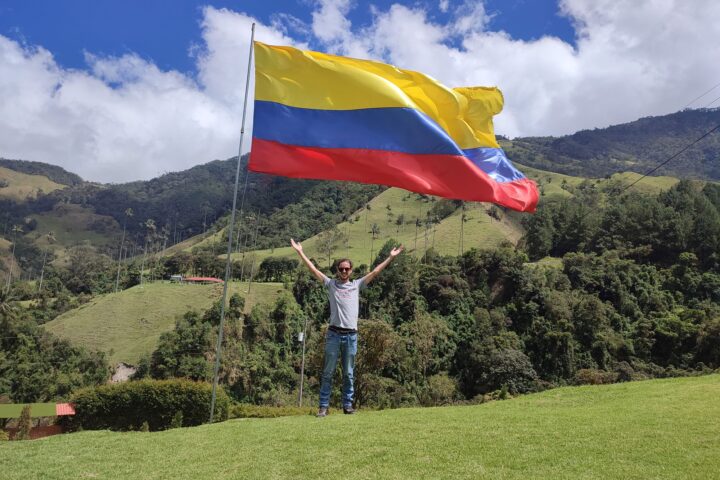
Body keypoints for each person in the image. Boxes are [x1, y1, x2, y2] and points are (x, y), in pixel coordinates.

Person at [290, 238, 404, 417]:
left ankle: (347, 405)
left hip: (351, 336)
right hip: (334, 334)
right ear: (337, 270)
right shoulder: (331, 284)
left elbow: (375, 271)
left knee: (349, 374)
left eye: (347, 269)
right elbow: (313, 270)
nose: (344, 271)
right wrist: (300, 252)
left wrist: (390, 257)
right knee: (328, 372)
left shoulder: (356, 285)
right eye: (341, 268)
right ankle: (323, 406)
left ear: (351, 271)